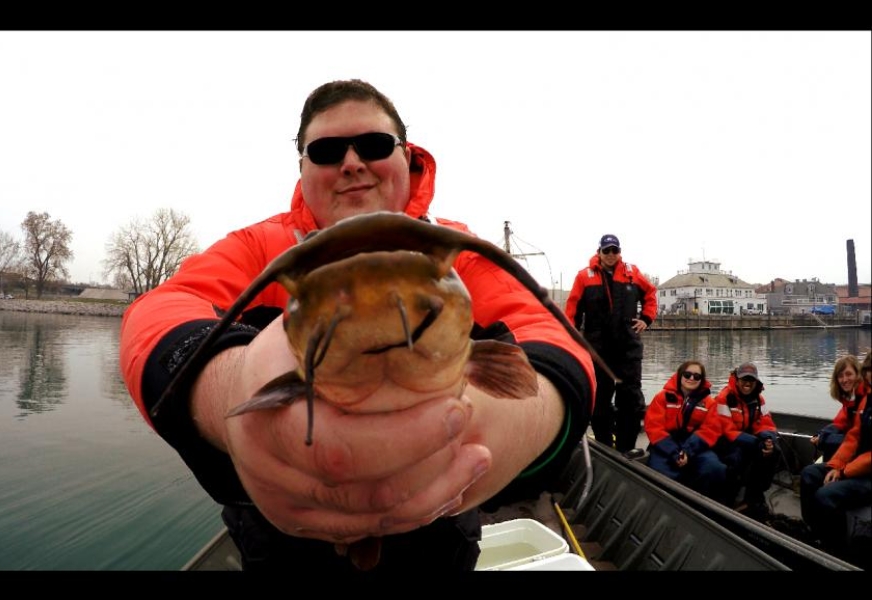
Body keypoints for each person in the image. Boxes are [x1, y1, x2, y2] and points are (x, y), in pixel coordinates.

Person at [118, 79, 596, 572]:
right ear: (302, 168)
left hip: (439, 543)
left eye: (372, 145)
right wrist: (229, 389)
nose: (351, 163)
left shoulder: (458, 248)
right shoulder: (257, 248)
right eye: (325, 151)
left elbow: (550, 335)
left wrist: (503, 426)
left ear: (407, 155)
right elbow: (161, 310)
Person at [565, 233, 657, 453]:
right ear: (599, 252)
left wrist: (646, 319)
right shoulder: (584, 277)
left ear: (619, 252)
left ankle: (627, 448)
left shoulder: (632, 274)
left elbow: (651, 294)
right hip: (598, 351)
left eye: (615, 250)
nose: (611, 254)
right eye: (606, 250)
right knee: (600, 401)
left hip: (628, 349)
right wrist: (570, 339)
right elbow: (572, 310)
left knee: (631, 400)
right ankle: (606, 447)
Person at [799, 351, 871, 564]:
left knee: (826, 495)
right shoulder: (867, 402)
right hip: (858, 466)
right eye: (869, 371)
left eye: (849, 374)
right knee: (809, 474)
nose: (845, 380)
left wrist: (843, 471)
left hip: (866, 473)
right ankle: (815, 532)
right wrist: (836, 465)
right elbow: (853, 437)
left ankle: (837, 552)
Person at [643, 360, 728, 502]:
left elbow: (711, 430)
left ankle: (701, 504)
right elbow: (654, 427)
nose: (691, 378)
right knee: (660, 474)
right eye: (687, 374)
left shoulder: (709, 403)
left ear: (701, 380)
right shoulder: (662, 398)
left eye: (697, 376)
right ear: (680, 375)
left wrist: (687, 450)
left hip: (694, 445)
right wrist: (674, 452)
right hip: (665, 444)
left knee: (715, 468)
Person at [713, 362, 779, 519]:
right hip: (723, 440)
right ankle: (728, 499)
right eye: (744, 379)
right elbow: (727, 431)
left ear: (756, 381)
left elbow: (765, 422)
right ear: (737, 379)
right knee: (736, 456)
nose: (747, 383)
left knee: (774, 451)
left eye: (751, 379)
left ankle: (754, 495)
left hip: (745, 437)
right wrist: (757, 442)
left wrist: (769, 439)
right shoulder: (724, 398)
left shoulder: (759, 399)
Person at [811, 355, 861, 462]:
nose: (844, 380)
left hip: (861, 456)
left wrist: (824, 439)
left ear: (858, 375)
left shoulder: (864, 400)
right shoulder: (849, 401)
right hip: (853, 452)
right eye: (840, 376)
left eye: (849, 374)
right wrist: (821, 434)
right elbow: (839, 423)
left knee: (828, 444)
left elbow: (860, 439)